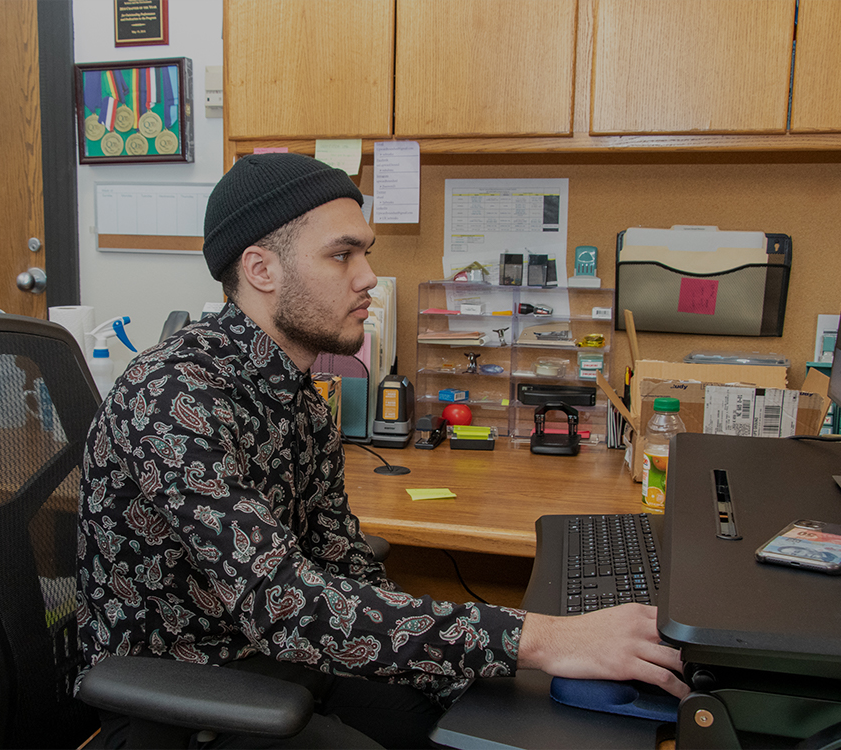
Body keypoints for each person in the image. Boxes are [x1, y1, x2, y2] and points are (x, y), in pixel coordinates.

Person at [76, 153, 688, 748]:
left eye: (364, 252)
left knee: (487, 721)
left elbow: (344, 567)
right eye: (342, 254)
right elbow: (284, 604)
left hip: (289, 659)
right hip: (182, 700)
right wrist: (542, 638)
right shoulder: (169, 397)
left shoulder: (302, 399)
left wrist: (524, 658)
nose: (368, 276)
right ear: (261, 270)